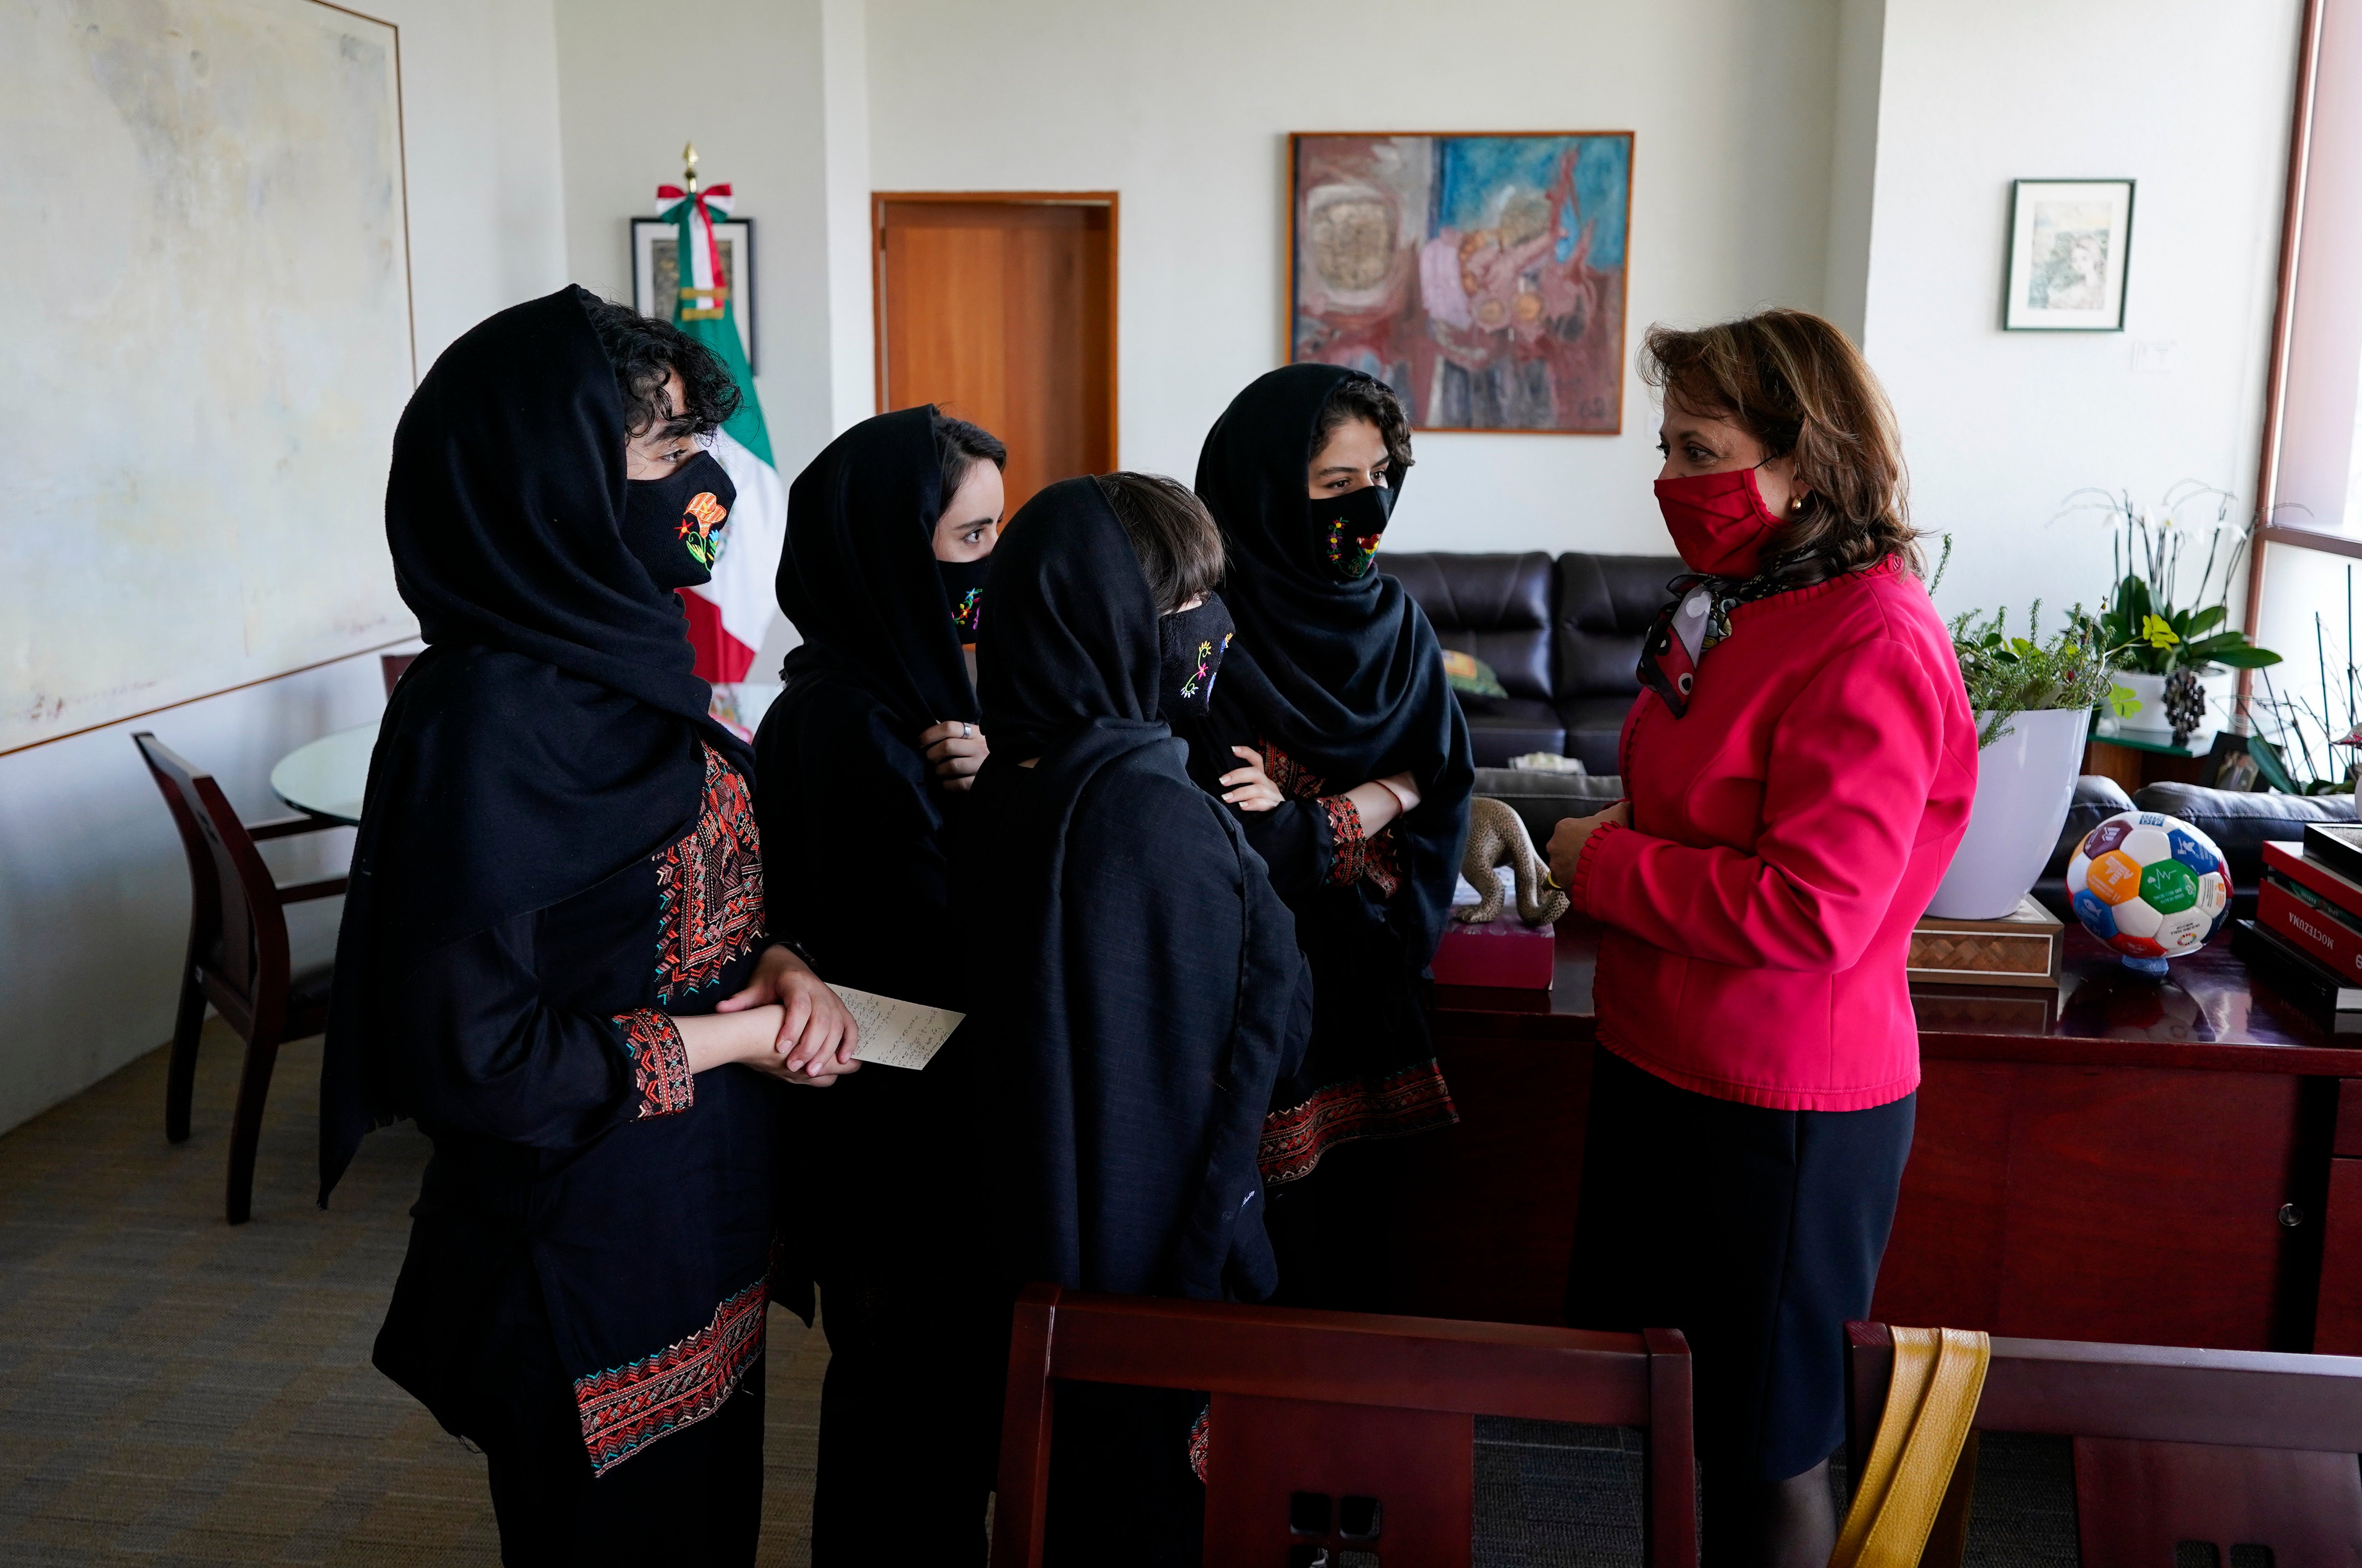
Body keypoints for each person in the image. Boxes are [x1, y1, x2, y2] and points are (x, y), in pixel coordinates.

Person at [318, 286, 859, 1567]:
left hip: (697, 1217)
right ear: (552, 483)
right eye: (669, 457)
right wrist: (738, 1045)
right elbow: (481, 1059)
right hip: (579, 1247)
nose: (703, 489)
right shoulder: (487, 721)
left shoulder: (627, 662)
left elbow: (682, 905)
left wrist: (779, 965)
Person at [1543, 308, 1975, 1567]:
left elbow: (1815, 909)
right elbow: (1716, 793)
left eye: (1698, 449)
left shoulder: (1873, 637)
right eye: (1668, 447)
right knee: (1672, 1419)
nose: (1669, 480)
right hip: (1661, 1060)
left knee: (1767, 1448)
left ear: (1806, 458)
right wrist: (1634, 825)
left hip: (1779, 1107)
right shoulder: (1741, 599)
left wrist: (1609, 862)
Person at [959, 472, 1312, 1566]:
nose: (1209, 635)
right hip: (1156, 1258)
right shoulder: (1157, 815)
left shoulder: (1004, 784)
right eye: (1181, 610)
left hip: (1030, 1248)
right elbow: (1261, 1030)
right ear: (1103, 625)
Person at [753, 406, 1006, 1563]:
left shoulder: (892, 693)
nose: (989, 566)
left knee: (917, 1421)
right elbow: (931, 945)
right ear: (890, 550)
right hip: (899, 1131)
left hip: (899, 1114)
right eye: (969, 538)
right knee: (907, 1429)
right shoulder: (850, 723)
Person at [1181, 364, 1474, 1311]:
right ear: (1267, 492)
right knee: (1267, 1259)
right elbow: (1247, 848)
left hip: (1377, 999)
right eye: (1335, 485)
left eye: (1380, 474)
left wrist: (1337, 814)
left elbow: (1447, 789)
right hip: (1254, 1009)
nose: (1369, 504)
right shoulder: (1205, 642)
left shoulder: (1397, 628)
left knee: (1367, 1258)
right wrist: (1388, 791)